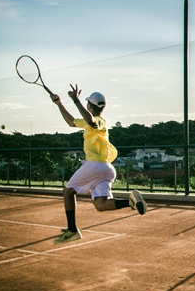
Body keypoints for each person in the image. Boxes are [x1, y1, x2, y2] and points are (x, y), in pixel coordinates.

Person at [50, 84, 147, 244]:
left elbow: (90, 120)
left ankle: (72, 230)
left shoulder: (99, 121)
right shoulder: (90, 121)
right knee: (101, 205)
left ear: (89, 105)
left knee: (68, 192)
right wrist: (59, 103)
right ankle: (130, 201)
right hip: (106, 169)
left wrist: (75, 100)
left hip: (94, 165)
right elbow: (70, 122)